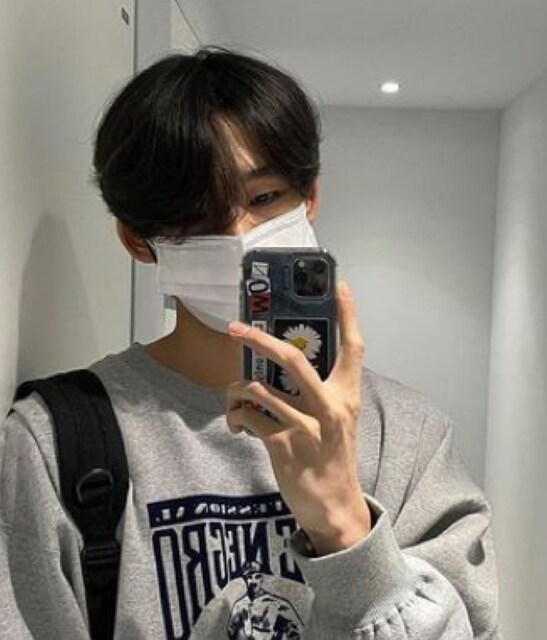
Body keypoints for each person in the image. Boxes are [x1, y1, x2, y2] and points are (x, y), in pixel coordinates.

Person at [0, 46, 501, 639]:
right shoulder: (53, 442)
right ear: (137, 240)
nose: (239, 235)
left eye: (264, 199)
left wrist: (344, 526)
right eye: (197, 217)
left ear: (309, 197)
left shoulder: (406, 436)